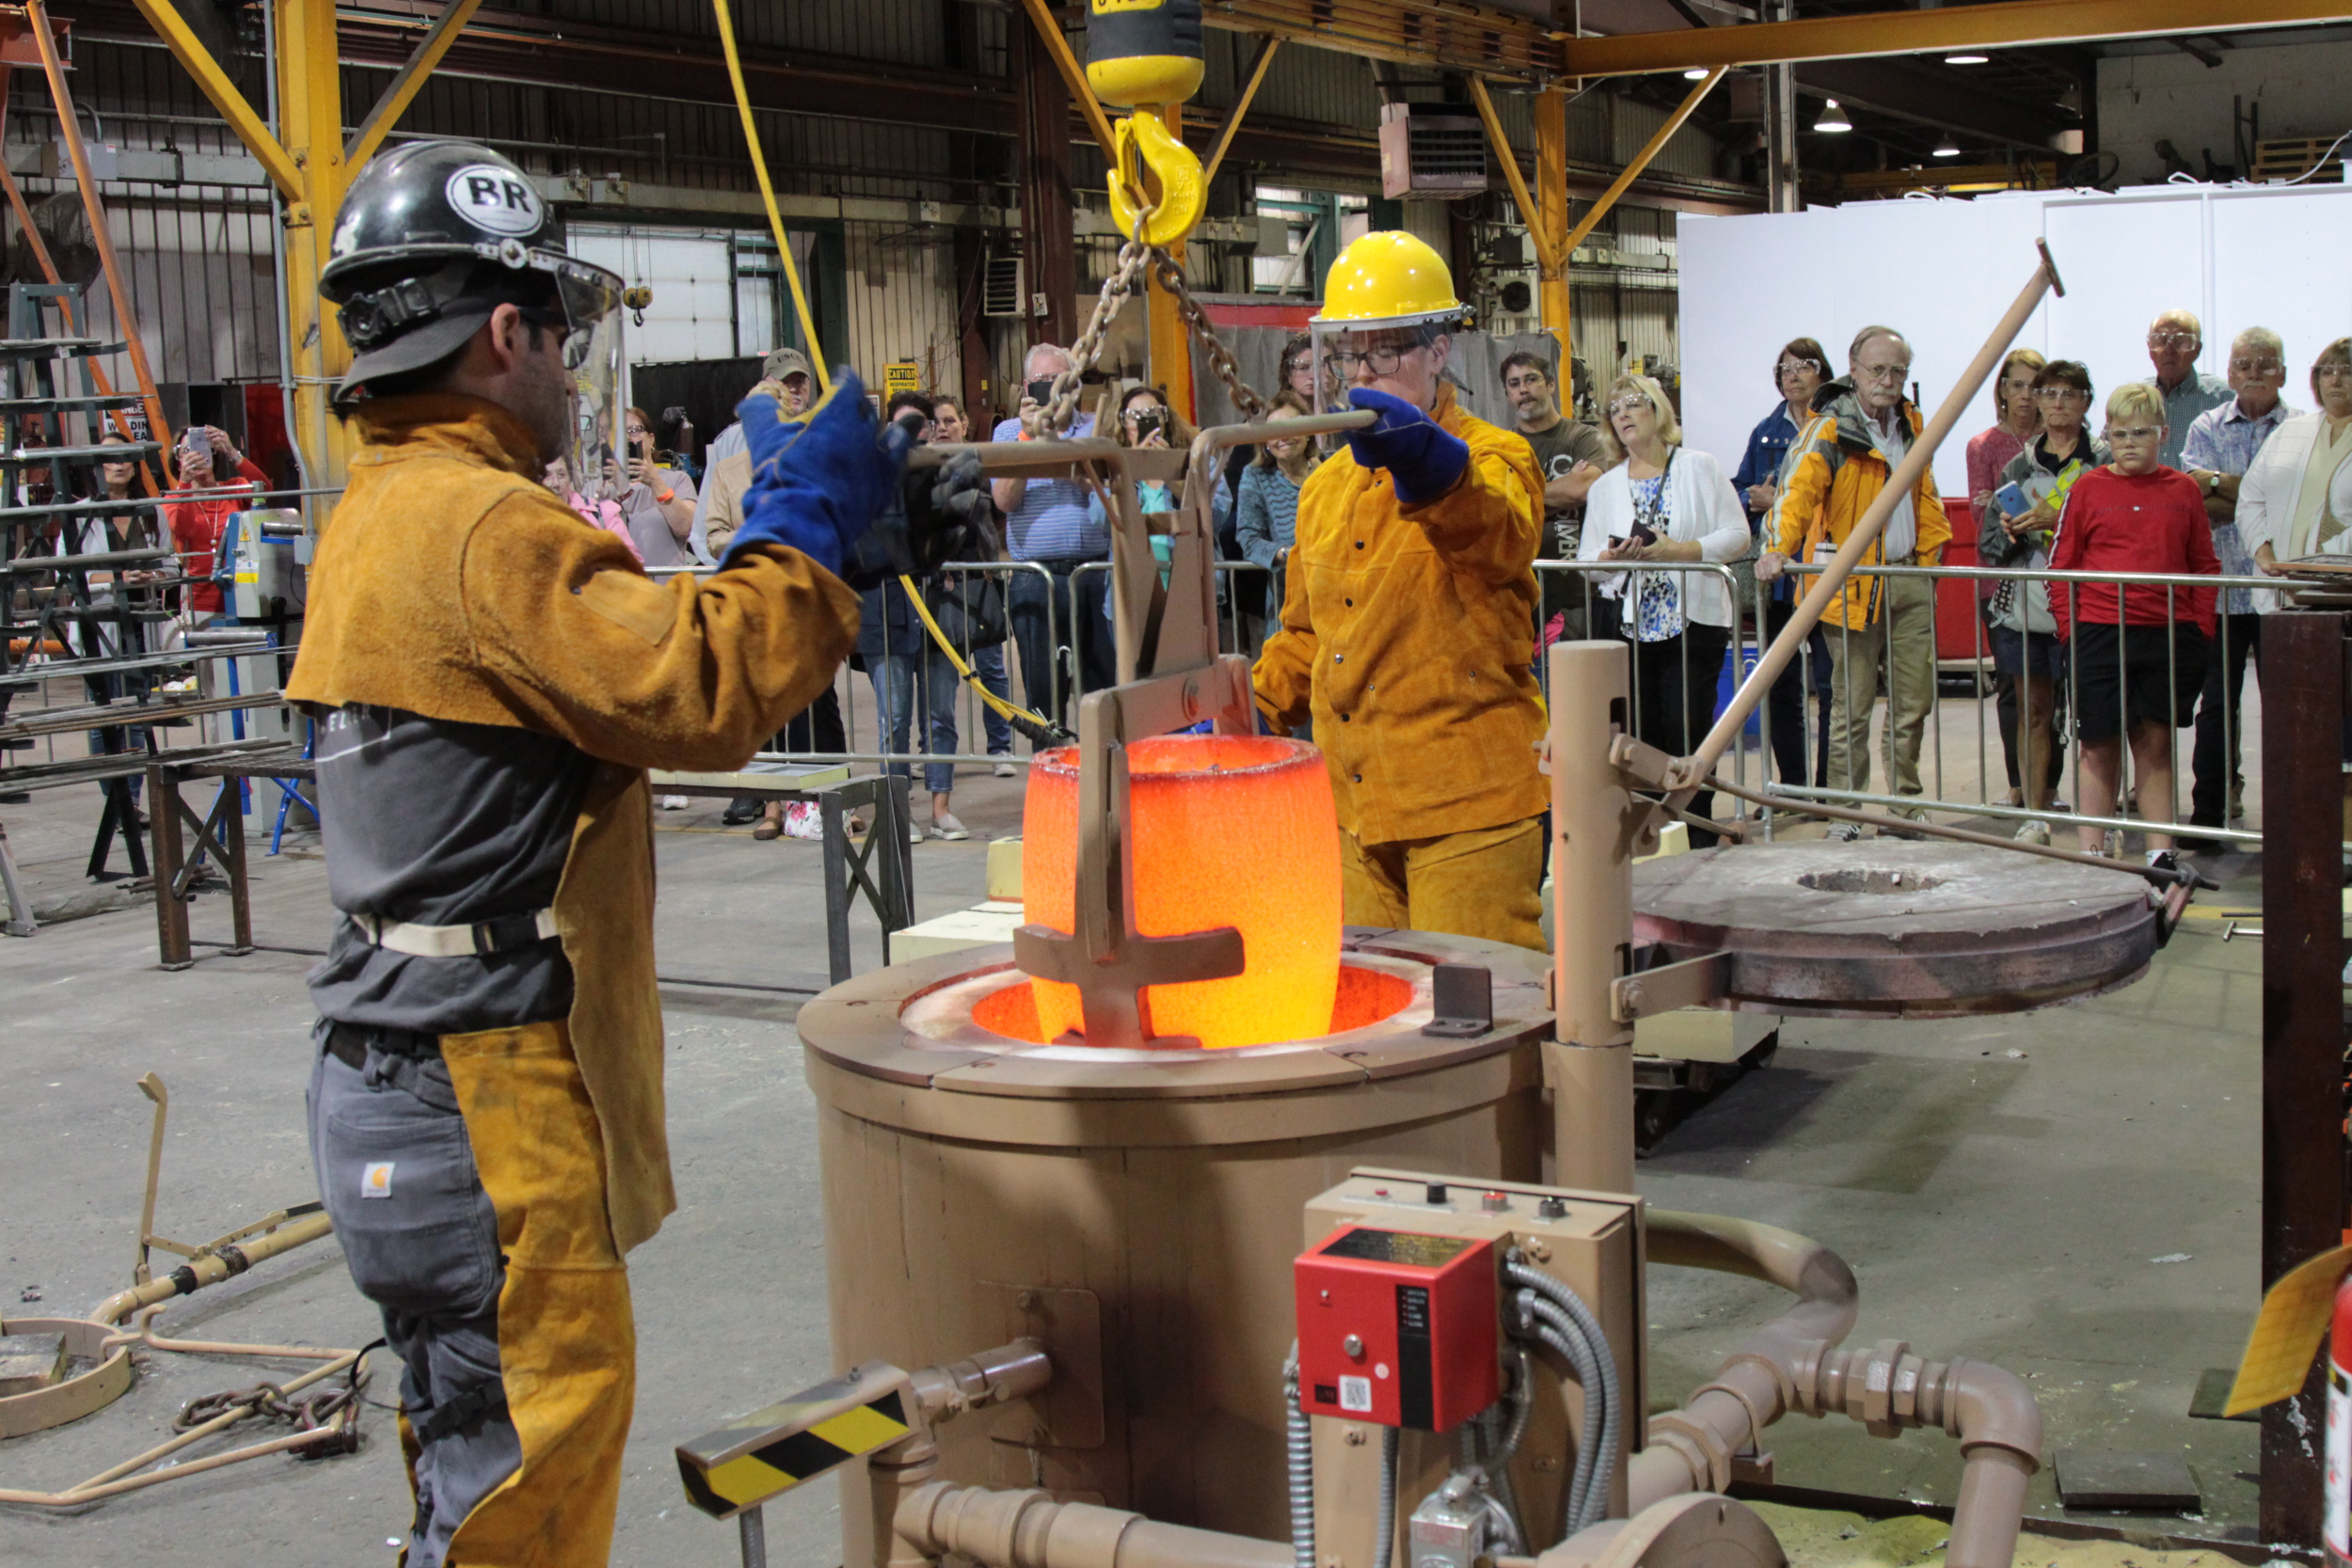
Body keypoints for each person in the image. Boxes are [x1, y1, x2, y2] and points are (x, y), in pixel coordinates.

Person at [284, 139, 922, 1568]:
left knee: (482, 1452)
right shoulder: (478, 525)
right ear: (505, 332)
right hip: (475, 1086)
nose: (572, 374)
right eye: (560, 338)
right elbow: (692, 685)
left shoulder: (379, 505)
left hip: (396, 1063)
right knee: (534, 1477)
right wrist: (801, 521)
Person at [1253, 230, 1547, 950]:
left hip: (1466, 808)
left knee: (1479, 1013)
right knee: (1376, 1024)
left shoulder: (1494, 457)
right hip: (1352, 812)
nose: (1363, 370)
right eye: (1350, 352)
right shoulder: (1323, 488)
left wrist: (1433, 471)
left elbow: (1497, 536)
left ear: (1438, 351)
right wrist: (1244, 710)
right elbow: (1305, 634)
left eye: (1385, 350)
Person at [1756, 325, 1949, 837]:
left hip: (1909, 579)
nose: (1888, 381)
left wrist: (1933, 551)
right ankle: (1846, 809)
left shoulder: (1913, 425)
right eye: (1878, 370)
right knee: (1850, 707)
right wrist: (1776, 547)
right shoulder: (1829, 429)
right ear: (1854, 369)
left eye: (1898, 372)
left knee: (1912, 704)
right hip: (1853, 585)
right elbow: (1795, 492)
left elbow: (1926, 494)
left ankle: (1906, 808)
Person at [2047, 382, 2217, 867]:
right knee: (2097, 747)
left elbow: (2204, 565)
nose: (2128, 442)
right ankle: (2093, 853)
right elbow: (2059, 568)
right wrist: (2071, 631)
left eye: (2140, 432)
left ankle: (2160, 852)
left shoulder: (2183, 490)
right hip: (2099, 633)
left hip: (2168, 634)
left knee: (2156, 745)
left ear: (2162, 434)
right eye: (2118, 433)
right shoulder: (2088, 488)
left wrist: (2200, 628)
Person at [1577, 373, 1752, 847]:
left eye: (1634, 404)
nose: (1625, 415)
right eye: (1616, 410)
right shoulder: (1606, 487)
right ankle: (1654, 841)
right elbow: (1586, 563)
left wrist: (1684, 549)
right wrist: (1609, 560)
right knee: (1642, 741)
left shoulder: (1699, 467)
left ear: (1657, 411)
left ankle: (1695, 838)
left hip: (1692, 624)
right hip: (1632, 629)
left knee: (1688, 735)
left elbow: (1738, 535)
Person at [1980, 360, 2106, 845]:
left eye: (2068, 394)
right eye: (2048, 393)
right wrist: (2012, 532)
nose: (2056, 403)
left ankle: (2102, 821)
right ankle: (2035, 815)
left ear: (2086, 402)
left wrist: (2060, 522)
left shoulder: (2104, 463)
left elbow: (2116, 539)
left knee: (2098, 714)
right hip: (2026, 606)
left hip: (2090, 607)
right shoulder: (2017, 467)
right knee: (2033, 709)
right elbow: (1990, 545)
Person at [2178, 327, 2296, 846]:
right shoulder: (2205, 425)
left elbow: (2235, 496)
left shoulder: (2300, 430)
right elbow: (2197, 498)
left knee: (2290, 709)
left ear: (2284, 376)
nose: (2252, 372)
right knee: (2215, 709)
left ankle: (2294, 816)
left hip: (2283, 597)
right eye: (2243, 363)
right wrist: (2262, 496)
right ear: (2228, 373)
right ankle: (2207, 818)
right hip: (2221, 592)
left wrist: (2228, 486)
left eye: (2265, 364)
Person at [2245, 339, 2352, 843]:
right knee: (2294, 722)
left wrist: (2327, 555)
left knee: (2345, 731)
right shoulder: (2291, 431)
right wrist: (2265, 554)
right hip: (2292, 601)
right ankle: (2297, 834)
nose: (2336, 380)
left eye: (2347, 371)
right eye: (2327, 371)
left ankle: (2344, 840)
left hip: (2344, 598)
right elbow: (2250, 496)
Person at [854, 391, 972, 844]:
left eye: (919, 426)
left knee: (941, 715)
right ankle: (898, 812)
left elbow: (968, 531)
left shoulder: (946, 476)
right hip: (886, 615)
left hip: (939, 613)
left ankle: (941, 808)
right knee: (894, 719)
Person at [993, 342, 1112, 727]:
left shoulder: (1096, 428)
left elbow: (1107, 492)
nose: (1051, 388)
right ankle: (1051, 769)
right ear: (1027, 387)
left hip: (1095, 574)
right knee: (1044, 692)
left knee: (1102, 685)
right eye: (1043, 381)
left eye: (1060, 379)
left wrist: (1070, 450)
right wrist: (1030, 440)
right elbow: (1005, 500)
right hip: (1035, 578)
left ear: (1075, 385)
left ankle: (1101, 769)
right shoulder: (1008, 432)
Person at [1736, 337, 1836, 790]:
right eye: (1785, 369)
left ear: (1824, 373)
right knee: (1781, 687)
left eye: (1804, 366)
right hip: (1776, 578)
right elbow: (1739, 490)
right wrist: (1753, 498)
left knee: (1833, 686)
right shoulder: (1765, 431)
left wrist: (1783, 499)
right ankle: (1792, 786)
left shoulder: (1836, 427)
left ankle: (1832, 788)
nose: (1793, 375)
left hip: (1824, 571)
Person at [1966, 347, 2049, 816]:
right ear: (2002, 389)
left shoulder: (2056, 443)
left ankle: (2047, 788)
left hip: (2046, 578)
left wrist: (2011, 510)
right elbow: (1983, 514)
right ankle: (2019, 785)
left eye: (2034, 386)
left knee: (2050, 688)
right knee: (2012, 687)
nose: (2024, 396)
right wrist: (2030, 517)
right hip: (1997, 582)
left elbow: (1997, 505)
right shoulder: (1983, 445)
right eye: (2016, 385)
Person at [930, 391, 1016, 775]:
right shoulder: (922, 466)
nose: (942, 428)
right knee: (942, 673)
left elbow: (990, 509)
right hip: (940, 581)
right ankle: (931, 751)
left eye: (949, 421)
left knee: (991, 667)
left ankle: (1000, 748)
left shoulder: (982, 463)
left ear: (964, 424)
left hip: (981, 575)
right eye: (934, 423)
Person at [1501, 350, 1608, 641]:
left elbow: (1582, 489)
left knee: (1578, 684)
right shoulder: (1501, 446)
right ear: (1508, 394)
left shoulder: (1583, 437)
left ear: (1550, 384)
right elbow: (1496, 503)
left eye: (1531, 379)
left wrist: (1520, 492)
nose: (1523, 389)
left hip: (1576, 591)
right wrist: (1561, 487)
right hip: (1520, 591)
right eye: (1514, 384)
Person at [691, 347, 811, 563]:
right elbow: (710, 535)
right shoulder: (729, 456)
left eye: (800, 381)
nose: (794, 388)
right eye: (785, 381)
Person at [1234, 388, 1322, 641]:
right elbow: (1249, 541)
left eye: (1291, 426)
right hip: (1288, 604)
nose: (1283, 436)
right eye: (1274, 431)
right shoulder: (1255, 477)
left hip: (1337, 596)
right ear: (1265, 442)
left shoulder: (1328, 469)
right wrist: (1290, 554)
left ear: (1308, 432)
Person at [163, 423, 269, 624]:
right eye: (187, 450)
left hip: (244, 595)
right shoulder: (172, 499)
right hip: (199, 603)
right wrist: (184, 483)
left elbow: (266, 490)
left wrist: (232, 451)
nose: (196, 454)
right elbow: (183, 529)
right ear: (178, 462)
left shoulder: (235, 487)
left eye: (201, 447)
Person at [602, 404, 697, 567]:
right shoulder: (597, 487)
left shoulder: (678, 480)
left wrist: (654, 481)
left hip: (663, 587)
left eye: (633, 430)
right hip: (615, 587)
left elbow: (686, 529)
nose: (627, 437)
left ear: (651, 438)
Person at [2140, 309, 2230, 471]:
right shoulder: (2136, 397)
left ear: (2197, 349)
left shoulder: (2223, 397)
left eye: (2180, 341)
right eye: (2161, 340)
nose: (2169, 349)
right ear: (2150, 348)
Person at [545, 454, 640, 562]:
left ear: (570, 478)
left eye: (561, 475)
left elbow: (632, 561)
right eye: (547, 476)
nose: (556, 483)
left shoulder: (601, 512)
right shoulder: (524, 515)